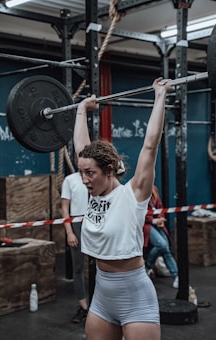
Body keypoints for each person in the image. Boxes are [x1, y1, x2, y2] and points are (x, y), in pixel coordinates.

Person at [73, 77, 173, 340]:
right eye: (82, 173)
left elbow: (150, 146)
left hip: (135, 297)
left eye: (89, 174)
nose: (84, 180)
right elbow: (81, 150)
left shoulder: (133, 194)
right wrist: (82, 108)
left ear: (108, 170)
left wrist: (160, 96)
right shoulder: (93, 190)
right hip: (103, 297)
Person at [61, 171, 89, 323]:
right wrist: (69, 232)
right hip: (77, 224)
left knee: (101, 266)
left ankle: (101, 307)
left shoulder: (98, 176)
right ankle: (83, 308)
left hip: (95, 222)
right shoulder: (70, 180)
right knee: (78, 268)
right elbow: (64, 208)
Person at [143, 185, 179, 288]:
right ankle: (148, 266)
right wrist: (152, 220)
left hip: (155, 223)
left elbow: (159, 206)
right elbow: (137, 212)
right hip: (144, 225)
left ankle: (176, 277)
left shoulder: (153, 188)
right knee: (162, 245)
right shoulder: (136, 189)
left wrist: (160, 219)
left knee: (166, 248)